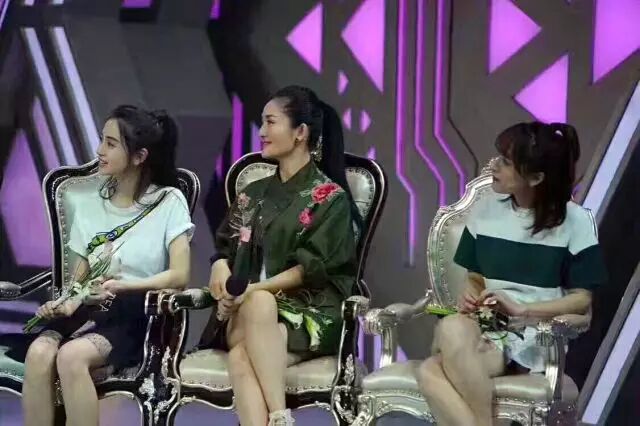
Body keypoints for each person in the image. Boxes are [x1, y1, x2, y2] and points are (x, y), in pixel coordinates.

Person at [417, 122, 607, 426]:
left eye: (506, 162)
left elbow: (581, 300)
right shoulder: (485, 210)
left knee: (432, 368)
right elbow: (475, 277)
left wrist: (522, 310)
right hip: (487, 326)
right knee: (445, 337)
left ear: (535, 177)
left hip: (533, 334)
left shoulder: (577, 222)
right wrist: (470, 292)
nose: (493, 166)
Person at [21, 105, 194, 426]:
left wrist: (125, 285)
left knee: (71, 356)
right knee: (38, 353)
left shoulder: (168, 201)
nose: (99, 150)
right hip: (90, 309)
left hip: (136, 312)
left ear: (139, 156)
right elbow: (79, 281)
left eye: (111, 143)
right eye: (102, 140)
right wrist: (65, 303)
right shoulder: (89, 205)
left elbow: (180, 275)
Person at [202, 85, 360, 426]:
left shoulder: (329, 198)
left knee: (242, 356)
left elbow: (311, 269)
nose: (261, 131)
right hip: (246, 310)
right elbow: (225, 247)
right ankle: (280, 417)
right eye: (262, 122)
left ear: (300, 132)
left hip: (308, 308)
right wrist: (219, 266)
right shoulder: (253, 192)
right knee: (257, 307)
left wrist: (251, 291)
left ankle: (277, 417)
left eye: (270, 122)